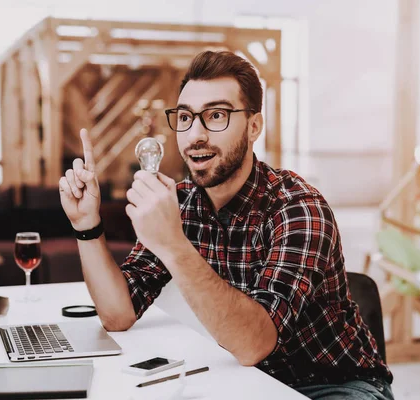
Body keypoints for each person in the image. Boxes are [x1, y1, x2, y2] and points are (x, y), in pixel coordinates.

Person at [59, 51, 394, 400]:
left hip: (334, 385)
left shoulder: (298, 208)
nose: (196, 134)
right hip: (248, 379)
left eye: (216, 115)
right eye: (186, 118)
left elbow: (253, 343)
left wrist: (173, 244)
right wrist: (87, 225)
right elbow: (118, 314)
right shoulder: (183, 202)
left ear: (253, 126)